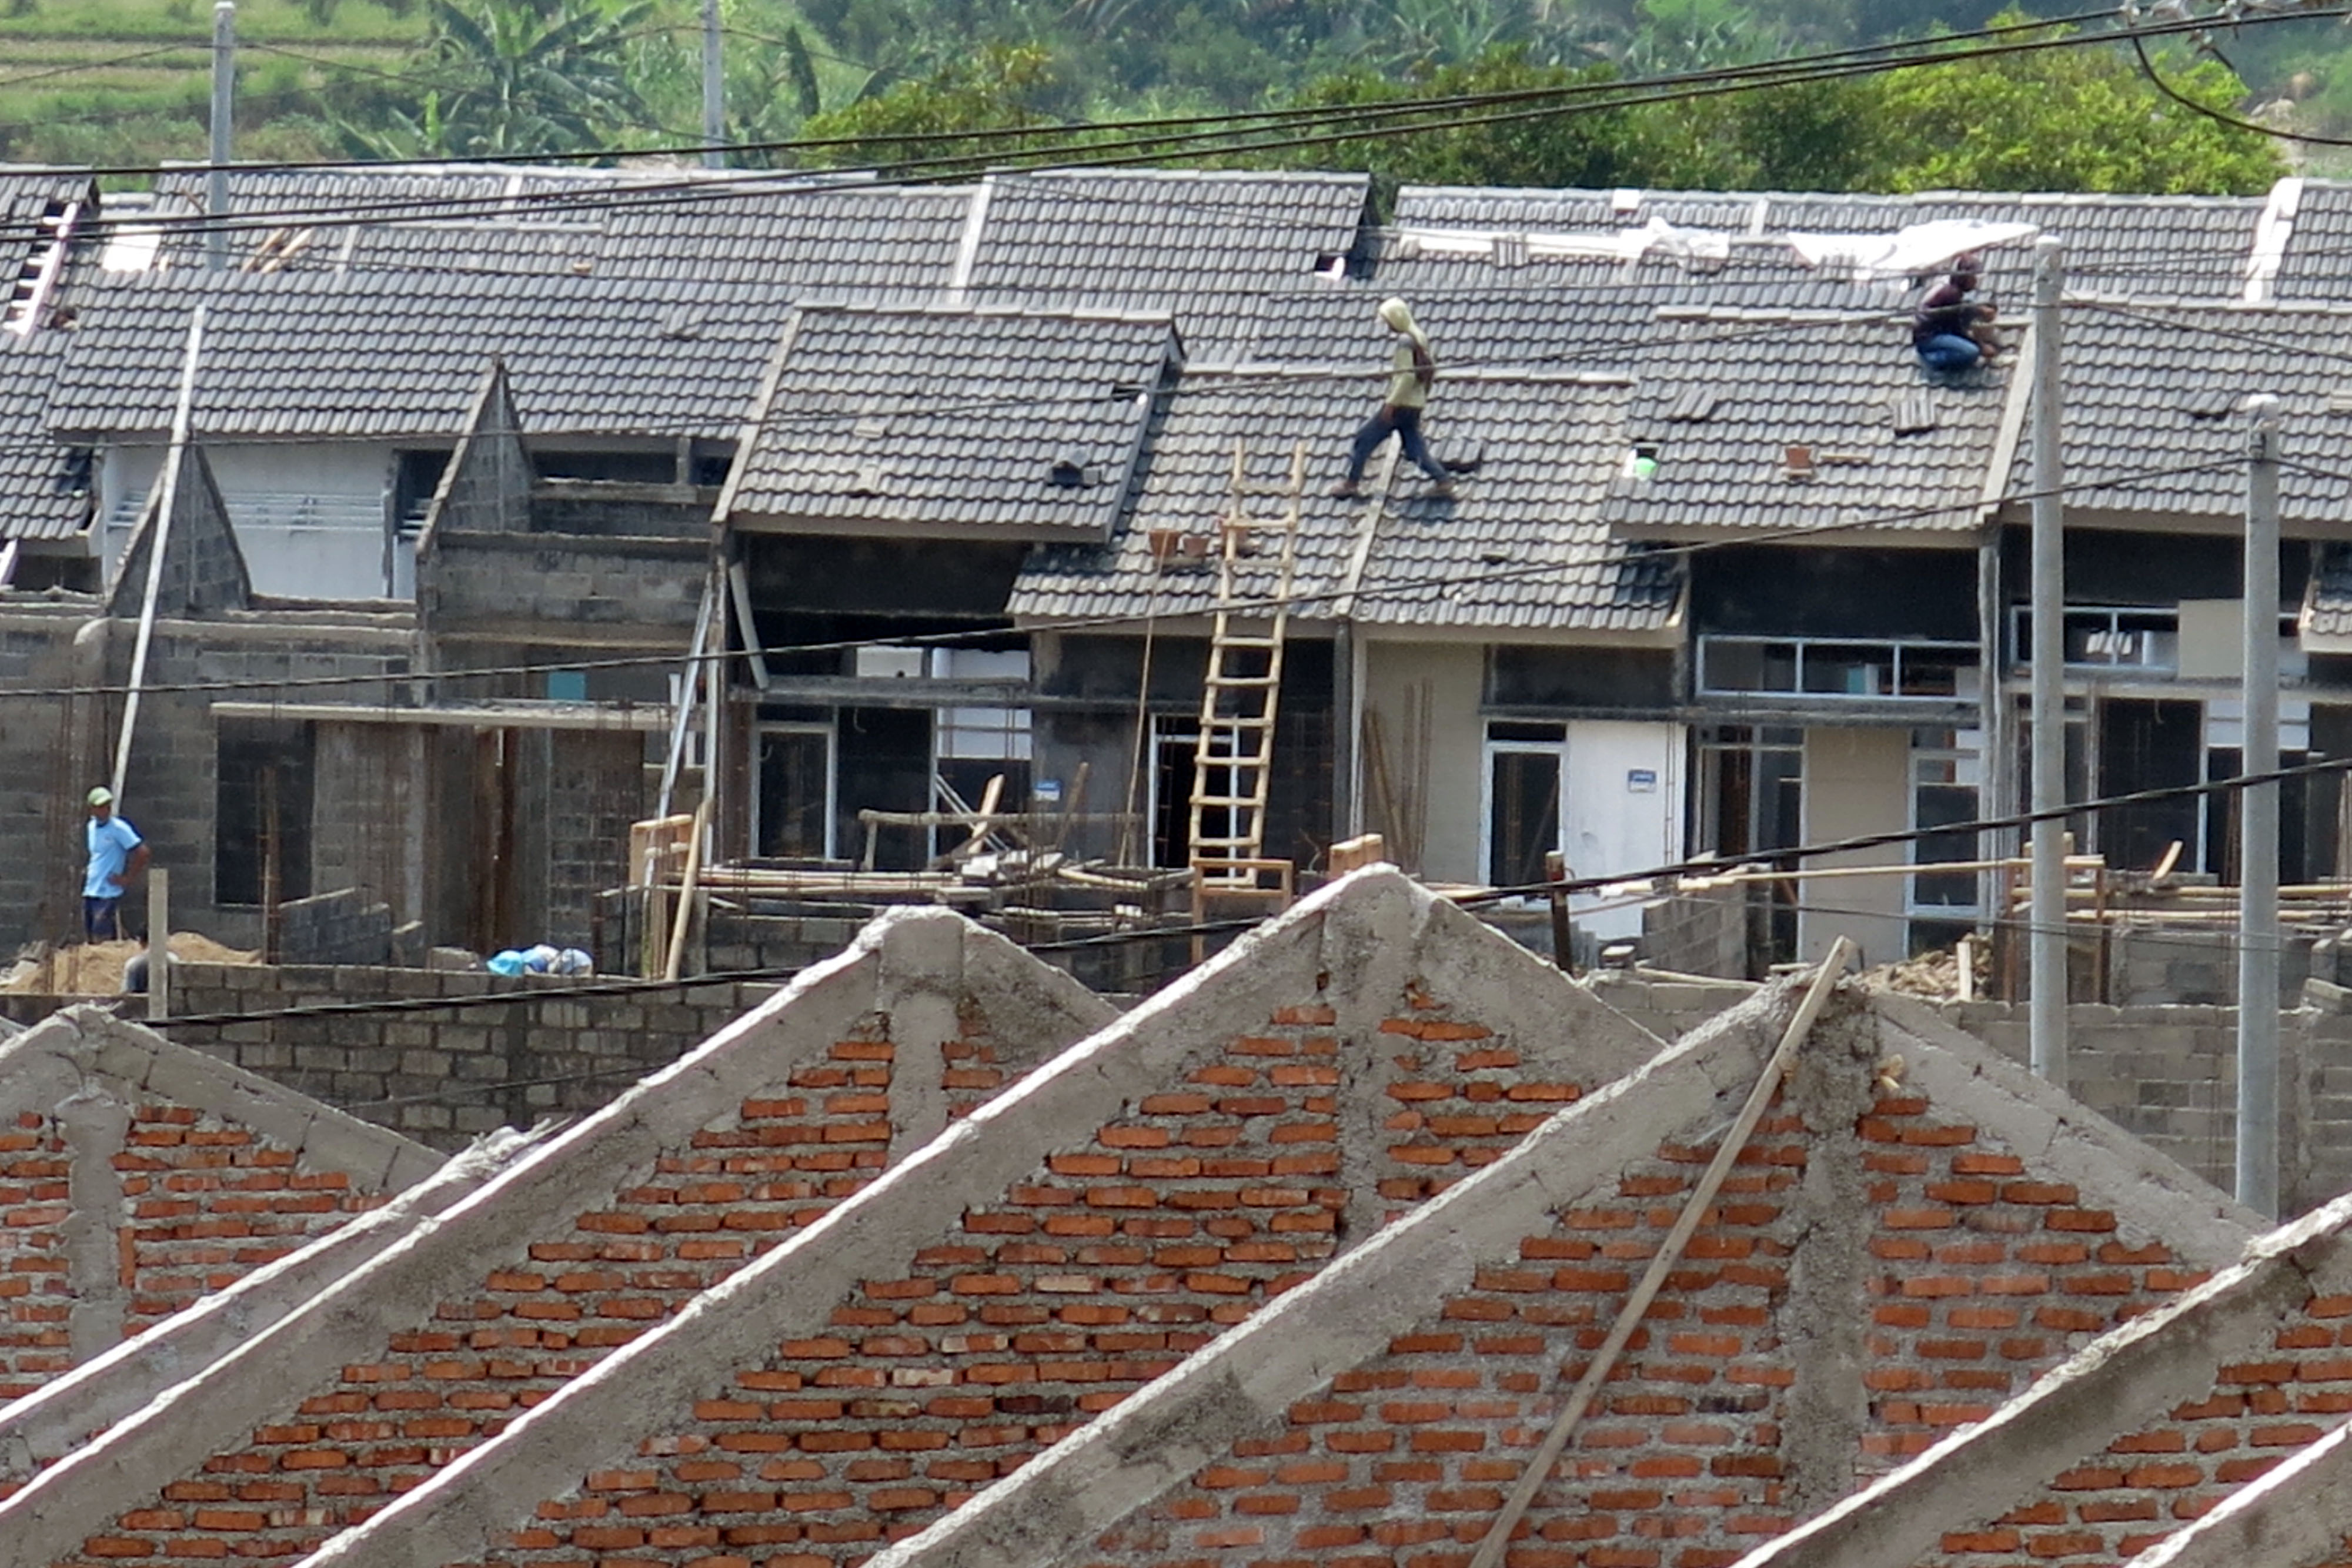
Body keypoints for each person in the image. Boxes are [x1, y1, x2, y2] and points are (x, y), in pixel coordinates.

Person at [1333, 297, 1455, 499]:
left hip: (1400, 404)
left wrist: (1391, 404)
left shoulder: (1405, 342)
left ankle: (1351, 483)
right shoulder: (1419, 337)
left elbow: (1406, 377)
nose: (1388, 326)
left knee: (1364, 438)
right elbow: (1428, 372)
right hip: (1414, 405)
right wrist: (1421, 398)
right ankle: (1443, 480)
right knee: (1414, 449)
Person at [83, 786, 147, 943]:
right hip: (91, 889)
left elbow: (143, 852)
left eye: (107, 806)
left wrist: (128, 878)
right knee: (90, 936)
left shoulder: (118, 828)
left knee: (101, 937)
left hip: (108, 891)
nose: (105, 810)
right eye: (100, 807)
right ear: (92, 809)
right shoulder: (91, 827)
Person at [1913, 260, 1995, 374]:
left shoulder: (1952, 286)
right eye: (1974, 279)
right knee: (1971, 353)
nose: (1976, 283)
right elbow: (1956, 328)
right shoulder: (1951, 294)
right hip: (1929, 337)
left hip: (1938, 329)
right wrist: (1981, 347)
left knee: (1970, 305)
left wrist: (1978, 310)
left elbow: (1962, 309)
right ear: (1966, 278)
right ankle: (1932, 359)